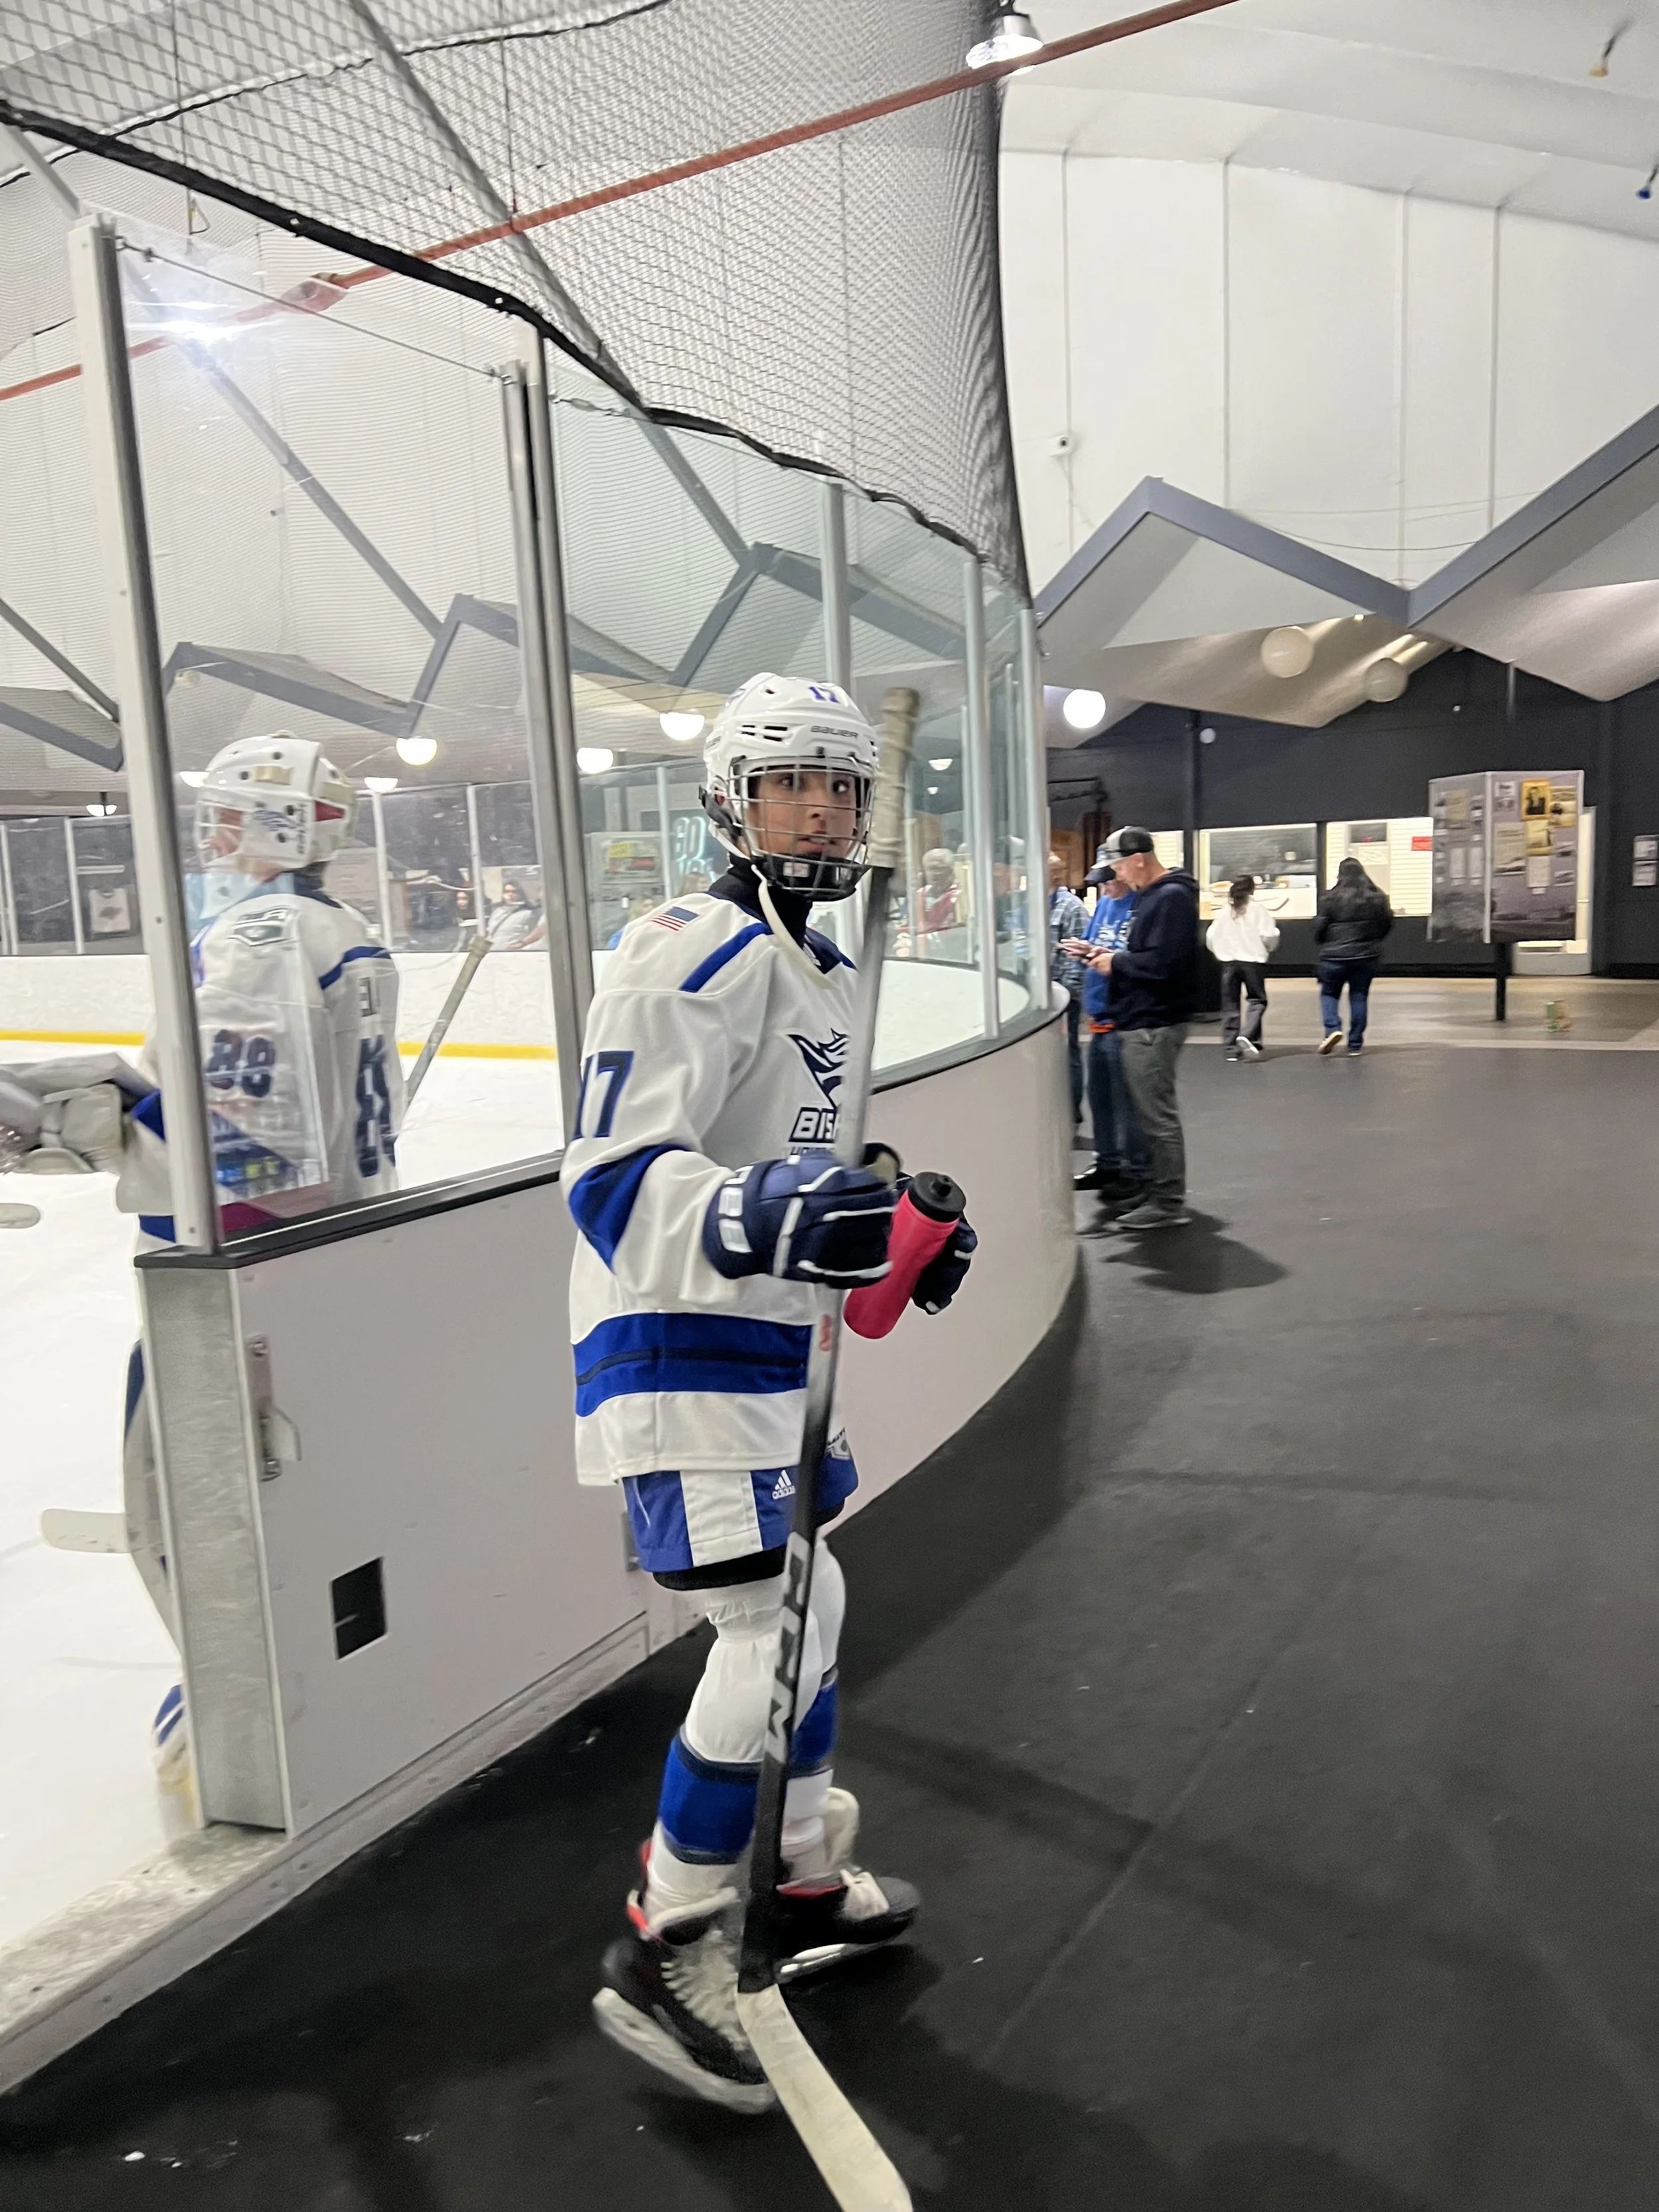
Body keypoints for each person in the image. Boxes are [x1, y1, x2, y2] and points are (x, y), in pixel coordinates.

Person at [563, 672, 975, 2112]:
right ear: (727, 798)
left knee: (814, 1608)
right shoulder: (692, 946)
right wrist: (767, 1217)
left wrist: (891, 1212)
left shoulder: (823, 969)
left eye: (841, 784)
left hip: (768, 1351)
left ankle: (791, 1876)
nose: (818, 805)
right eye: (787, 779)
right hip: (677, 1349)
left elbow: (797, 1154)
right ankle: (668, 1937)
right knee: (762, 1623)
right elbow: (609, 1181)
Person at [1, 733, 401, 1795]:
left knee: (171, 1503)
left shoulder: (259, 934)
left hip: (237, 1274)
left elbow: (248, 1145)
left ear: (274, 824)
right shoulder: (339, 928)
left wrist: (95, 1113)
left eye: (231, 814)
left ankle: (233, 1710)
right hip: (319, 1255)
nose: (215, 834)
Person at [1090, 827, 1199, 1229]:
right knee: (1150, 1112)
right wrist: (1113, 956)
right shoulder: (1160, 895)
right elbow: (1151, 956)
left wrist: (1115, 963)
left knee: (1157, 1116)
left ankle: (1168, 1202)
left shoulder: (1169, 897)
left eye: (1119, 865)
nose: (1118, 876)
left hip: (1155, 1021)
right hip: (1146, 1019)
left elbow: (1164, 965)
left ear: (1138, 859)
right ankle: (1157, 1190)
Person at [1065, 860, 1148, 1200]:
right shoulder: (1103, 905)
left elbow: (1139, 960)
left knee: (1127, 1100)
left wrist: (1106, 956)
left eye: (1110, 882)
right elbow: (1094, 945)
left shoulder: (1141, 907)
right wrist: (1085, 951)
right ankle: (1108, 1161)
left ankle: (1135, 1169)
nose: (1105, 889)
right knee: (1101, 1097)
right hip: (1098, 1017)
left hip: (1123, 1017)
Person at [1315, 855, 1393, 1055]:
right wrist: (1373, 940)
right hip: (1366, 956)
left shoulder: (1329, 897)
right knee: (1359, 997)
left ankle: (1332, 1029)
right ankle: (1355, 1045)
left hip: (1334, 956)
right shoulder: (1377, 897)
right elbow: (1386, 924)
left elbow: (1319, 928)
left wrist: (1327, 941)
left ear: (1340, 875)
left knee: (1329, 994)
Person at [1206, 873, 1280, 1060]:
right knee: (1257, 1001)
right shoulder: (1258, 910)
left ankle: (1231, 1049)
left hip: (1228, 962)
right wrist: (1267, 949)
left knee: (1230, 1005)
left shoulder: (1225, 911)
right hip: (1252, 961)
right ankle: (1247, 1036)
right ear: (1252, 889)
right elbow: (1269, 936)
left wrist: (1219, 953)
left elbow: (1211, 936)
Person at [1048, 852, 1090, 1123]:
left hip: (1063, 996)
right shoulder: (1029, 905)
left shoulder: (1072, 908)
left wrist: (1068, 997)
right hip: (1040, 995)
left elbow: (1076, 957)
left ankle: (1072, 1111)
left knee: (1069, 1052)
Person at [484, 873, 545, 949]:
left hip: (514, 953)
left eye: (514, 892)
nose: (510, 895)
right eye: (507, 892)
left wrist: (522, 944)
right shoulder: (497, 912)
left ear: (520, 893)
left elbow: (538, 932)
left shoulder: (529, 913)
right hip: (494, 953)